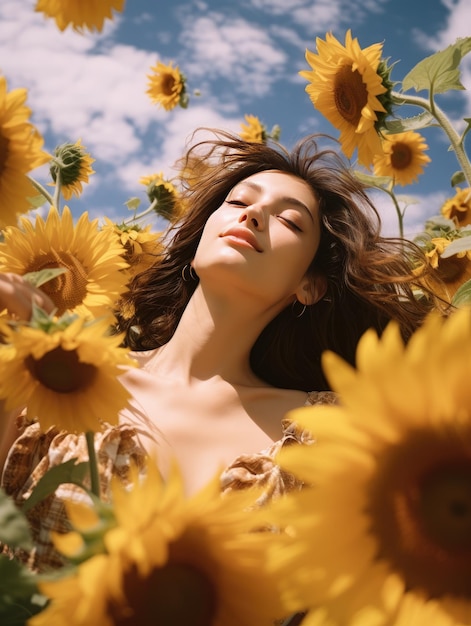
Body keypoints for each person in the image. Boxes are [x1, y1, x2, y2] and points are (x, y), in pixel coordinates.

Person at [0, 130, 444, 573]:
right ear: (197, 243)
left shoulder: (321, 432)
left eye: (290, 221)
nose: (253, 214)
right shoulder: (57, 375)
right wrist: (25, 351)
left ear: (308, 286)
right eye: (237, 202)